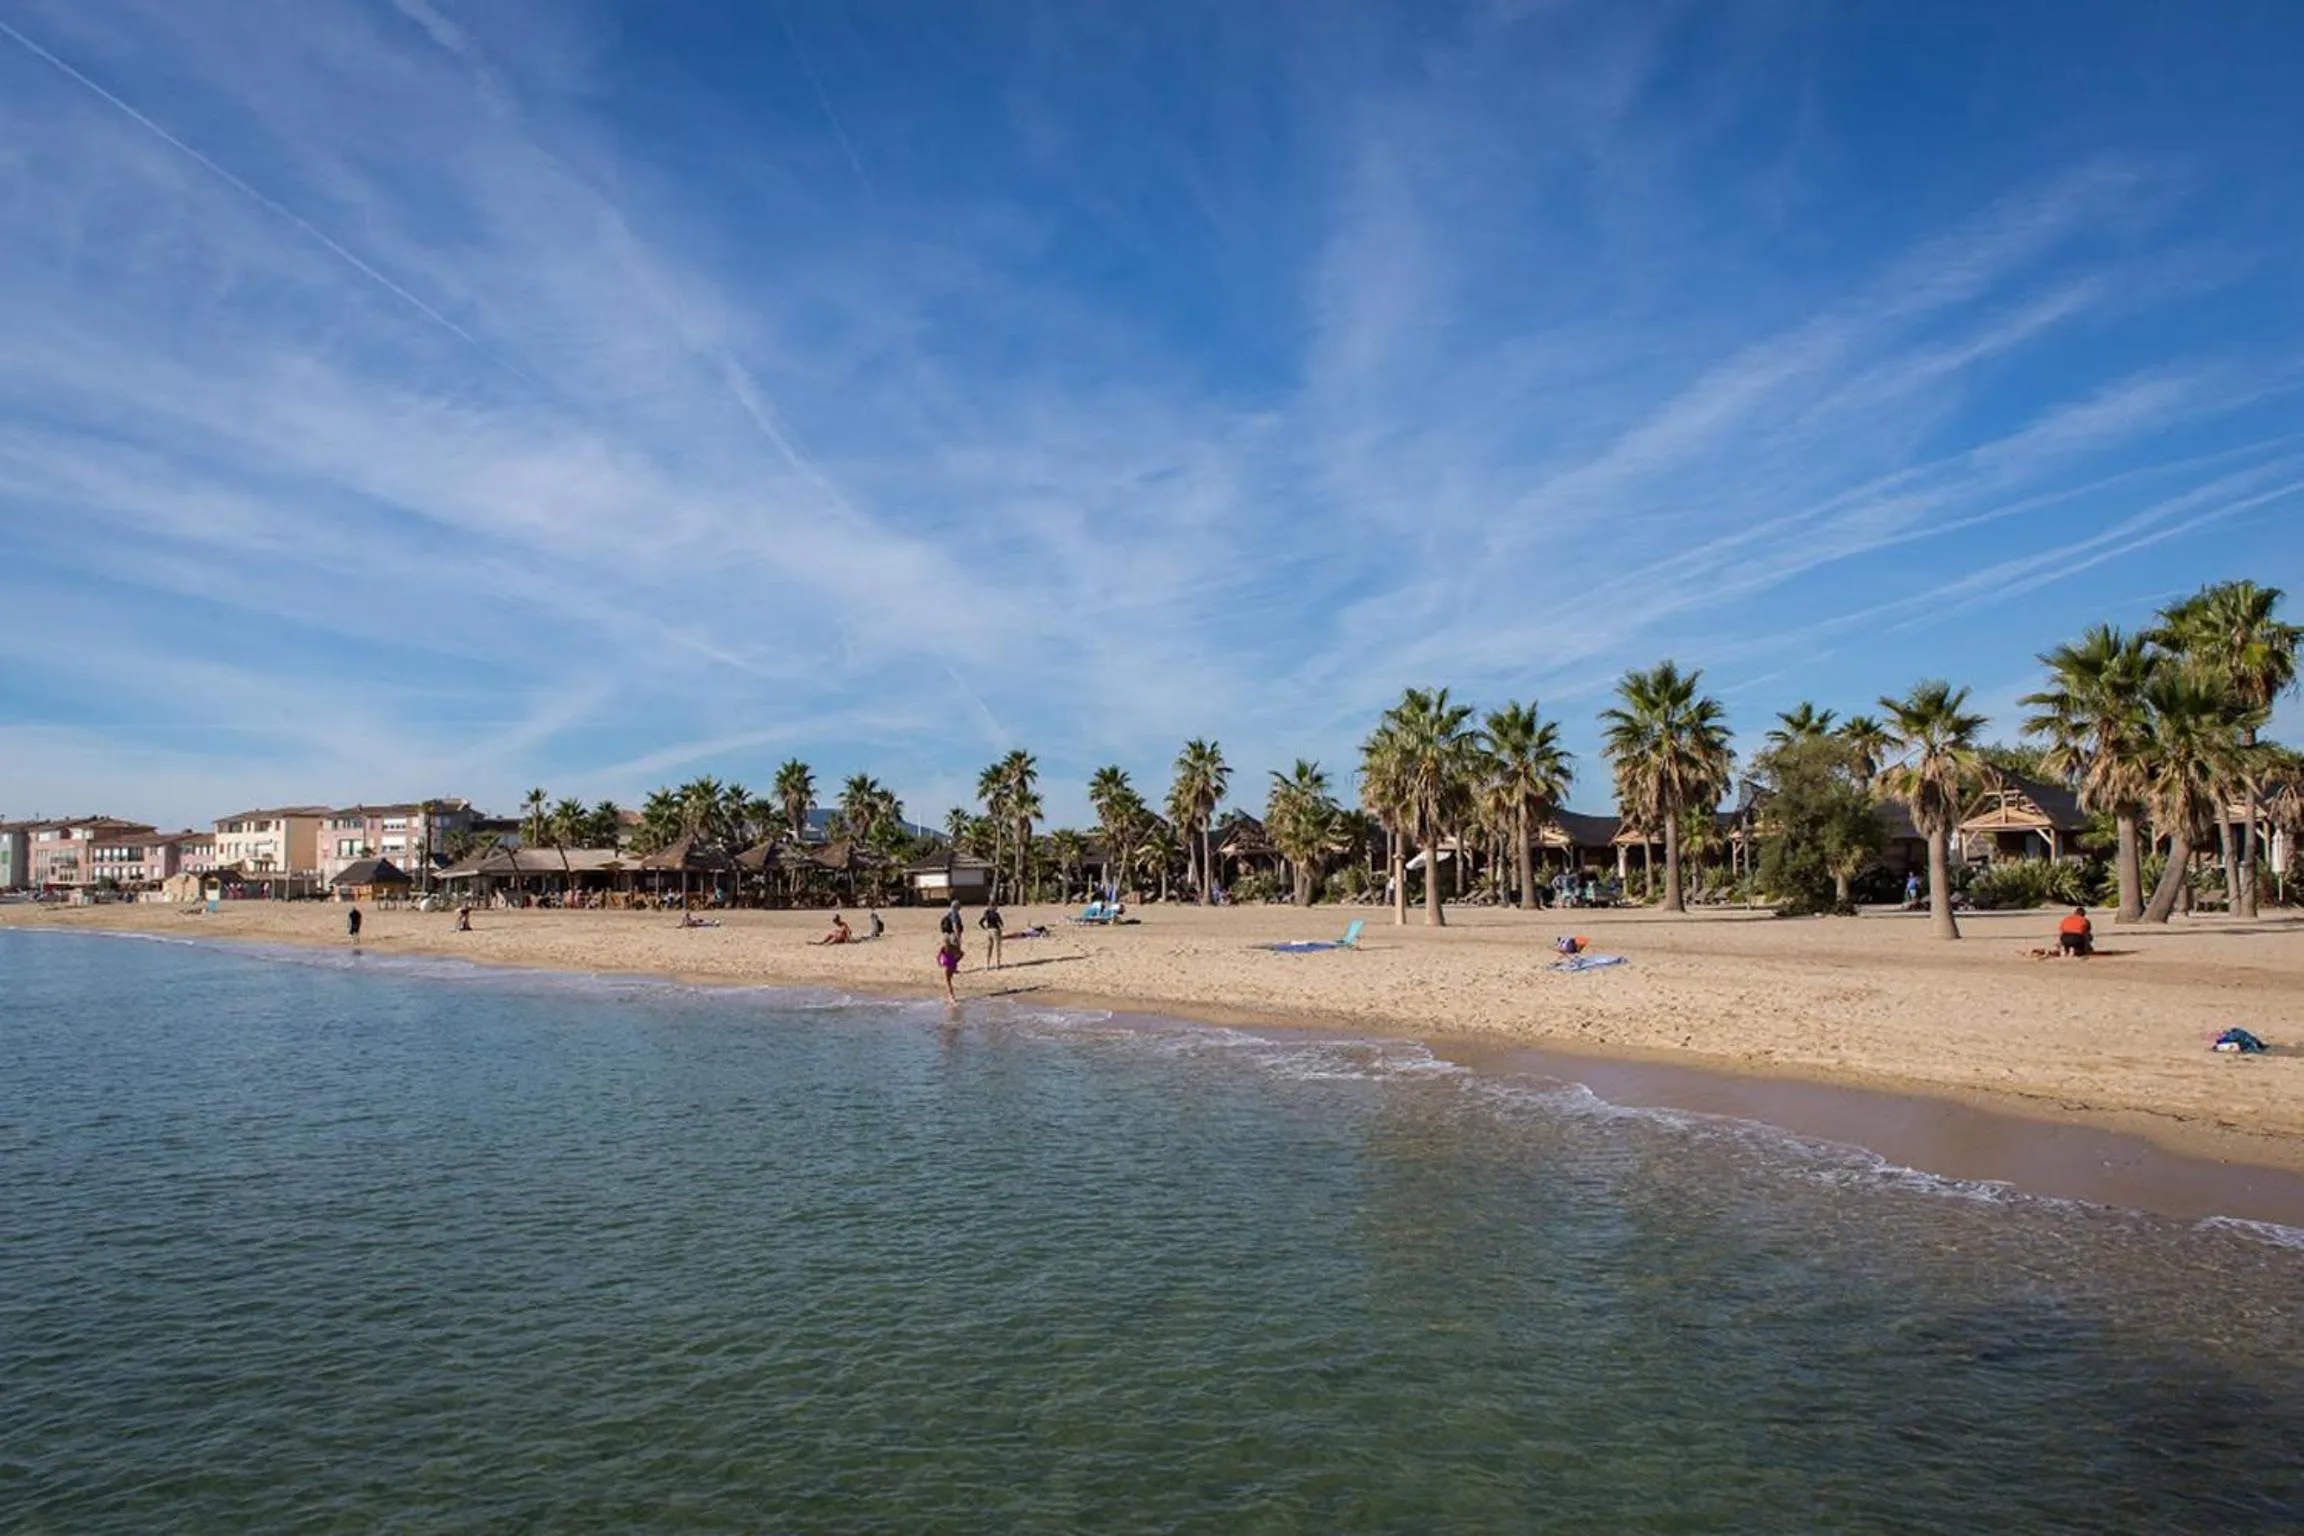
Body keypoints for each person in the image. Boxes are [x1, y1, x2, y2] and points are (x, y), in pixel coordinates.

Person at [937, 934, 963, 1002]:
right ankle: (950, 995)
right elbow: (961, 954)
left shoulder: (944, 948)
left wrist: (939, 963)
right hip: (953, 965)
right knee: (949, 980)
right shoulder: (953, 947)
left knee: (948, 982)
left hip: (947, 965)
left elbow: (938, 956)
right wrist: (956, 960)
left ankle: (952, 996)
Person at [979, 901, 1005, 969]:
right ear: (993, 906)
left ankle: (987, 964)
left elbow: (980, 922)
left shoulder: (986, 913)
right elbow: (1001, 923)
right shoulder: (996, 914)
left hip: (989, 931)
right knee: (997, 947)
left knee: (989, 948)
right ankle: (997, 964)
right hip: (995, 930)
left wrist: (985, 928)